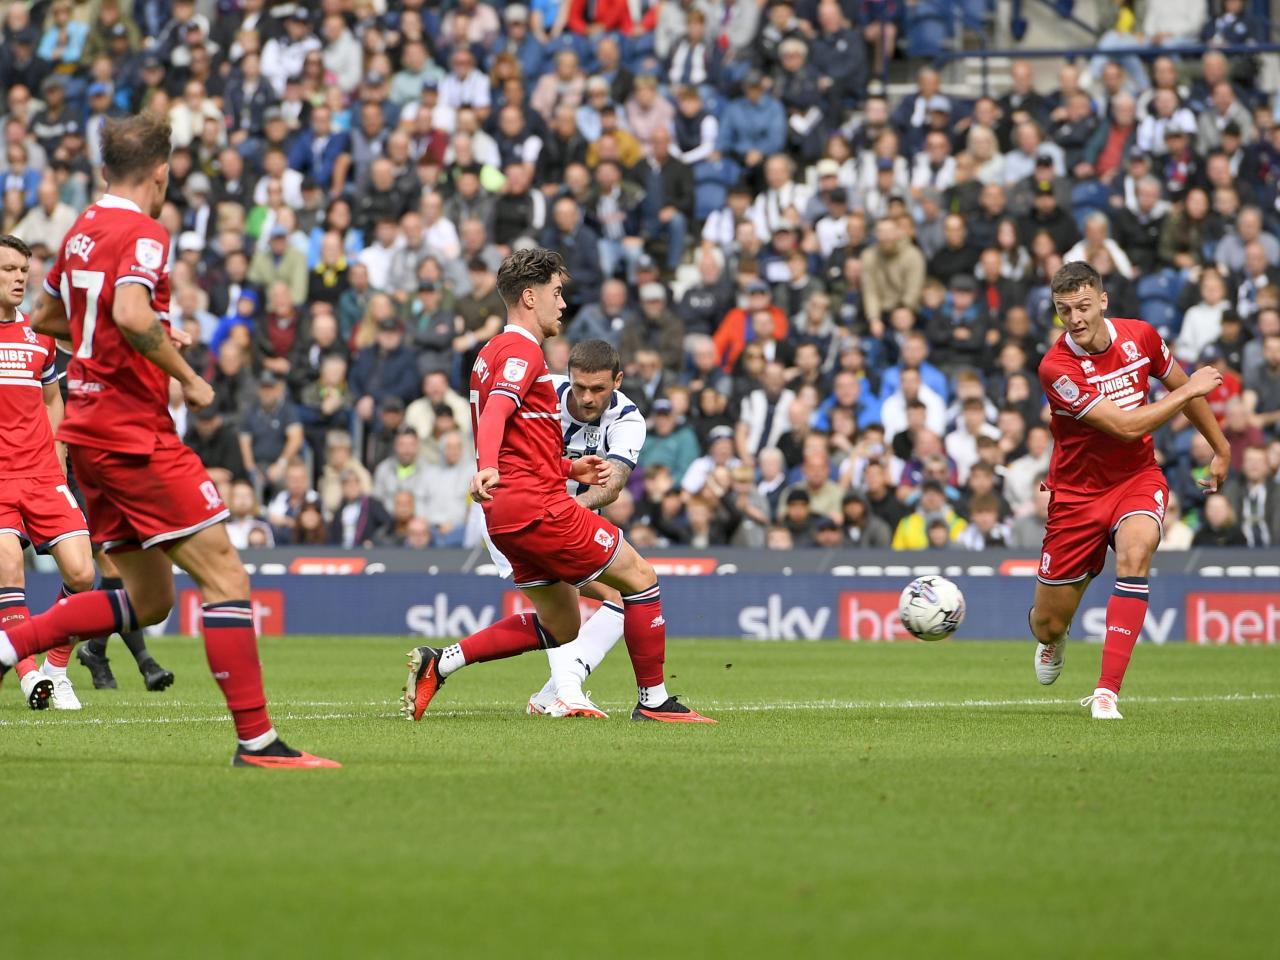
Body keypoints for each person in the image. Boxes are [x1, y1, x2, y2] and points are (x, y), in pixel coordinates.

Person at [2, 115, 336, 768]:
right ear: (161, 172)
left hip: (87, 434)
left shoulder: (76, 234)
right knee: (224, 573)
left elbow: (47, 317)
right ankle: (259, 743)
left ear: (104, 171)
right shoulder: (145, 233)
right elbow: (127, 311)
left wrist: (128, 337)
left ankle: (12, 647)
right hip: (135, 434)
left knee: (149, 600)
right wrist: (185, 375)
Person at [403, 248, 712, 724]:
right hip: (535, 507)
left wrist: (569, 471)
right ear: (530, 297)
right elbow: (497, 416)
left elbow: (517, 439)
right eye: (556, 292)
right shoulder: (522, 350)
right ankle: (652, 700)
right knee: (640, 578)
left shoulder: (487, 354)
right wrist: (485, 466)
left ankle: (439, 662)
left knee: (563, 625)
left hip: (506, 515)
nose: (563, 304)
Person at [1030, 262, 1229, 720]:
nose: (1075, 318)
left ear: (1103, 300)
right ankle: (1052, 642)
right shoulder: (1056, 368)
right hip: (1076, 495)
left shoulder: (1140, 336)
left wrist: (1220, 449)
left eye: (1082, 306)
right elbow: (1124, 426)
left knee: (1136, 553)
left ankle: (1106, 692)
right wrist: (1186, 392)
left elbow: (1183, 387)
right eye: (1064, 310)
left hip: (1136, 478)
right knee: (1047, 623)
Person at [484, 339, 647, 715]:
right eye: (579, 387)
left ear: (618, 381)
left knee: (617, 599)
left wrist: (569, 508)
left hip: (565, 520)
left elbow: (613, 483)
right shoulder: (543, 396)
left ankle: (447, 662)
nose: (587, 398)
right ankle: (565, 690)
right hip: (522, 516)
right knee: (599, 600)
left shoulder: (627, 419)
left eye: (598, 389)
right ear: (568, 378)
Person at [0, 236, 94, 711]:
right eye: (9, 269)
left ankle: (56, 668)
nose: (19, 278)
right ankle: (27, 674)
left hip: (41, 476)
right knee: (8, 570)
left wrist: (58, 460)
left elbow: (53, 400)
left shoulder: (41, 338)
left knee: (83, 573)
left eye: (23, 270)